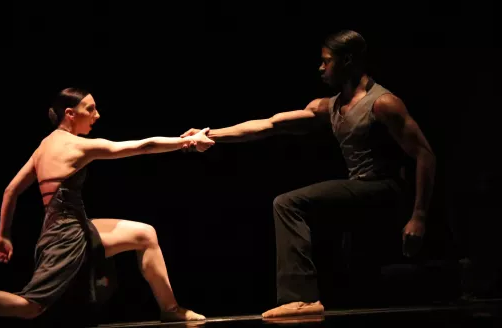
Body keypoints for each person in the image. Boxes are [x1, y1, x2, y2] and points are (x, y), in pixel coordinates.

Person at [181, 30, 436, 319]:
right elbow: (271, 125)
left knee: (288, 203)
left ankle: (300, 297)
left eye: (327, 61)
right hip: (359, 190)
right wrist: (209, 135)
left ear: (348, 60)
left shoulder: (383, 104)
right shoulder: (329, 106)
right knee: (356, 273)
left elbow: (424, 154)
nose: (321, 68)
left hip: (386, 189)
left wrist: (419, 216)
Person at [0, 87, 212, 327]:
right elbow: (143, 146)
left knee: (145, 234)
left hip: (74, 227)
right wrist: (187, 142)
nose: (97, 115)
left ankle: (170, 309)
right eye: (91, 109)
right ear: (70, 113)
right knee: (31, 306)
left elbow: (10, 191)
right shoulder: (76, 147)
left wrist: (4, 235)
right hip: (66, 236)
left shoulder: (44, 146)